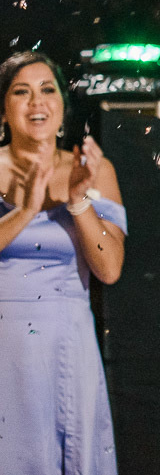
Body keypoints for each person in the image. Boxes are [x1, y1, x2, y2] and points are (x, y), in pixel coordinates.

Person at [0, 50, 127, 475]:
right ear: (4, 110)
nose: (36, 102)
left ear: (62, 110)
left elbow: (109, 269)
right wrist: (25, 210)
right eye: (22, 92)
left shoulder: (93, 169)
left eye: (47, 90)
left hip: (66, 345)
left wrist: (77, 203)